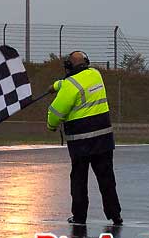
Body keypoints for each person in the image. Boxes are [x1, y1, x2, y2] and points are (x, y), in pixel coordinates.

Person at [47, 51, 122, 226]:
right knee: (107, 180)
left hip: (81, 143)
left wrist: (51, 126)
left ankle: (80, 217)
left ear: (69, 66)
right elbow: (73, 83)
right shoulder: (96, 74)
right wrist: (56, 86)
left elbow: (55, 113)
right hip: (103, 140)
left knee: (79, 181)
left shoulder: (69, 86)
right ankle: (115, 215)